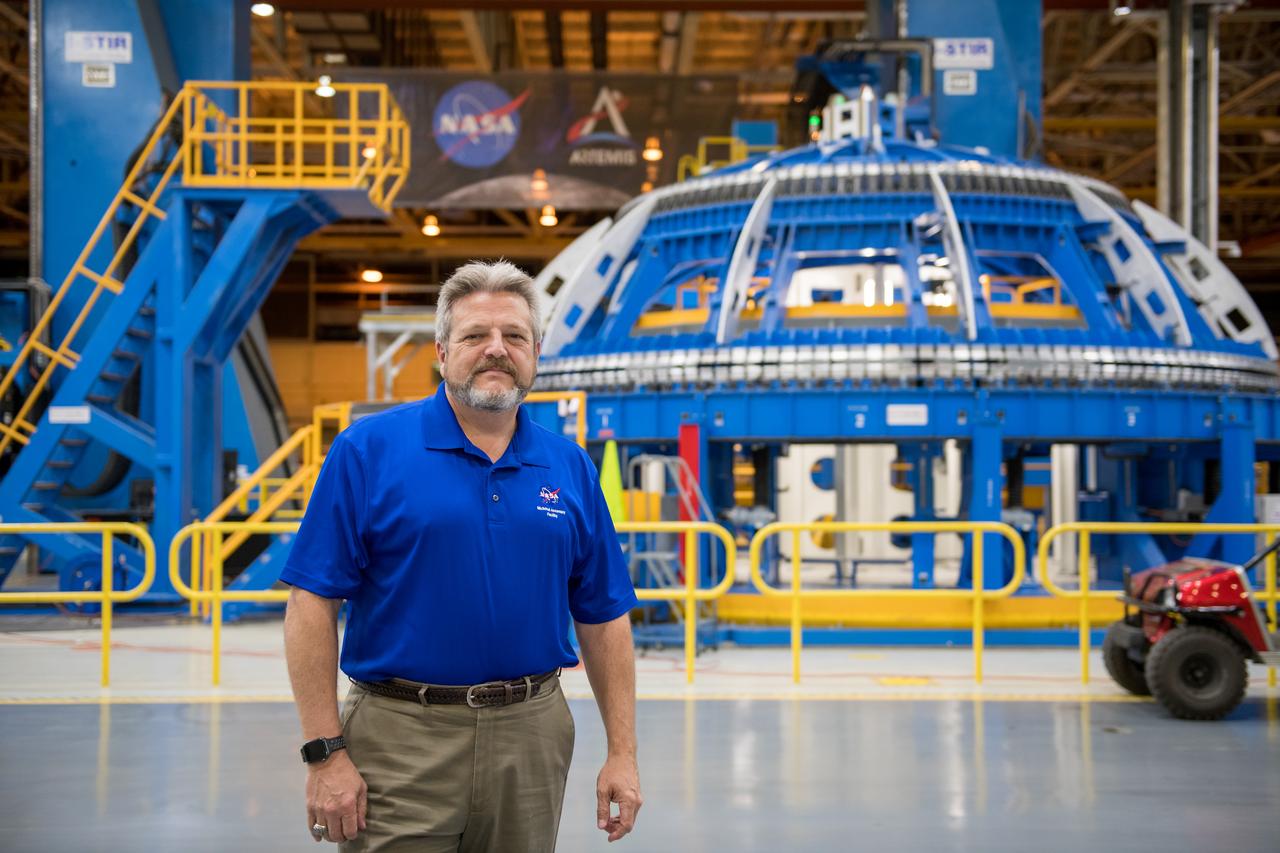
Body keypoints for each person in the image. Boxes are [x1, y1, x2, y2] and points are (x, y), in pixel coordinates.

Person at [282, 260, 642, 852]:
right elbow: (311, 604)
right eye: (476, 335)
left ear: (536, 353)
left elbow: (603, 616)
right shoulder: (367, 451)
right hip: (399, 735)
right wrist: (325, 753)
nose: (496, 350)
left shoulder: (569, 465)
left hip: (533, 731)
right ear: (443, 351)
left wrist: (622, 754)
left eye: (514, 337)